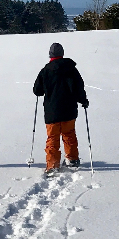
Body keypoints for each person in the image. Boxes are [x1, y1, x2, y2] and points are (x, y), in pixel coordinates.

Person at [33, 42, 89, 175]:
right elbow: (79, 87)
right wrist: (83, 100)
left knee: (52, 137)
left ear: (50, 55)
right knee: (69, 134)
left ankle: (52, 165)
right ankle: (72, 159)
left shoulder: (45, 71)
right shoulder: (72, 69)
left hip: (52, 111)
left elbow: (37, 91)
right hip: (69, 110)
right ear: (62, 54)